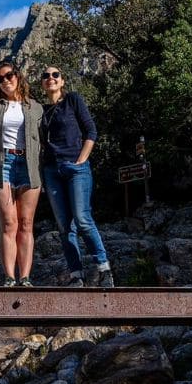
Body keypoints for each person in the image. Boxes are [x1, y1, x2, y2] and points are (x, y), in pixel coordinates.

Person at [39, 66, 114, 288]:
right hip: (52, 171)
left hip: (76, 168)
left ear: (62, 81)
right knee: (64, 226)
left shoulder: (73, 100)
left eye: (55, 75)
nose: (50, 78)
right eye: (46, 76)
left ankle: (103, 268)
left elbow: (91, 131)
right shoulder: (41, 111)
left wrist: (81, 159)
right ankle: (76, 275)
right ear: (42, 83)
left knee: (82, 219)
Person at [0, 61, 43, 287]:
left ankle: (25, 277)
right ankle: (9, 277)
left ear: (17, 76)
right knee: (9, 223)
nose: (5, 81)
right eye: (0, 79)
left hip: (29, 164)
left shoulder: (35, 107)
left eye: (9, 76)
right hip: (2, 164)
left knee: (26, 223)